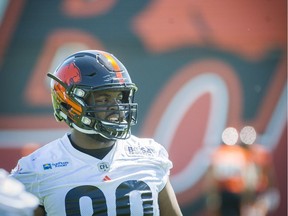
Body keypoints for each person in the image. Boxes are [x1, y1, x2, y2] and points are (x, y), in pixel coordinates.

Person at [10, 50, 183, 216]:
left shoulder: (150, 154)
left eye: (120, 97)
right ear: (70, 105)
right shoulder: (35, 169)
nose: (117, 107)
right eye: (103, 99)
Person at [204, 126, 279, 216]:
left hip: (230, 192)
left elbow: (211, 177)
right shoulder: (243, 154)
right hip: (240, 192)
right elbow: (252, 177)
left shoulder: (219, 153)